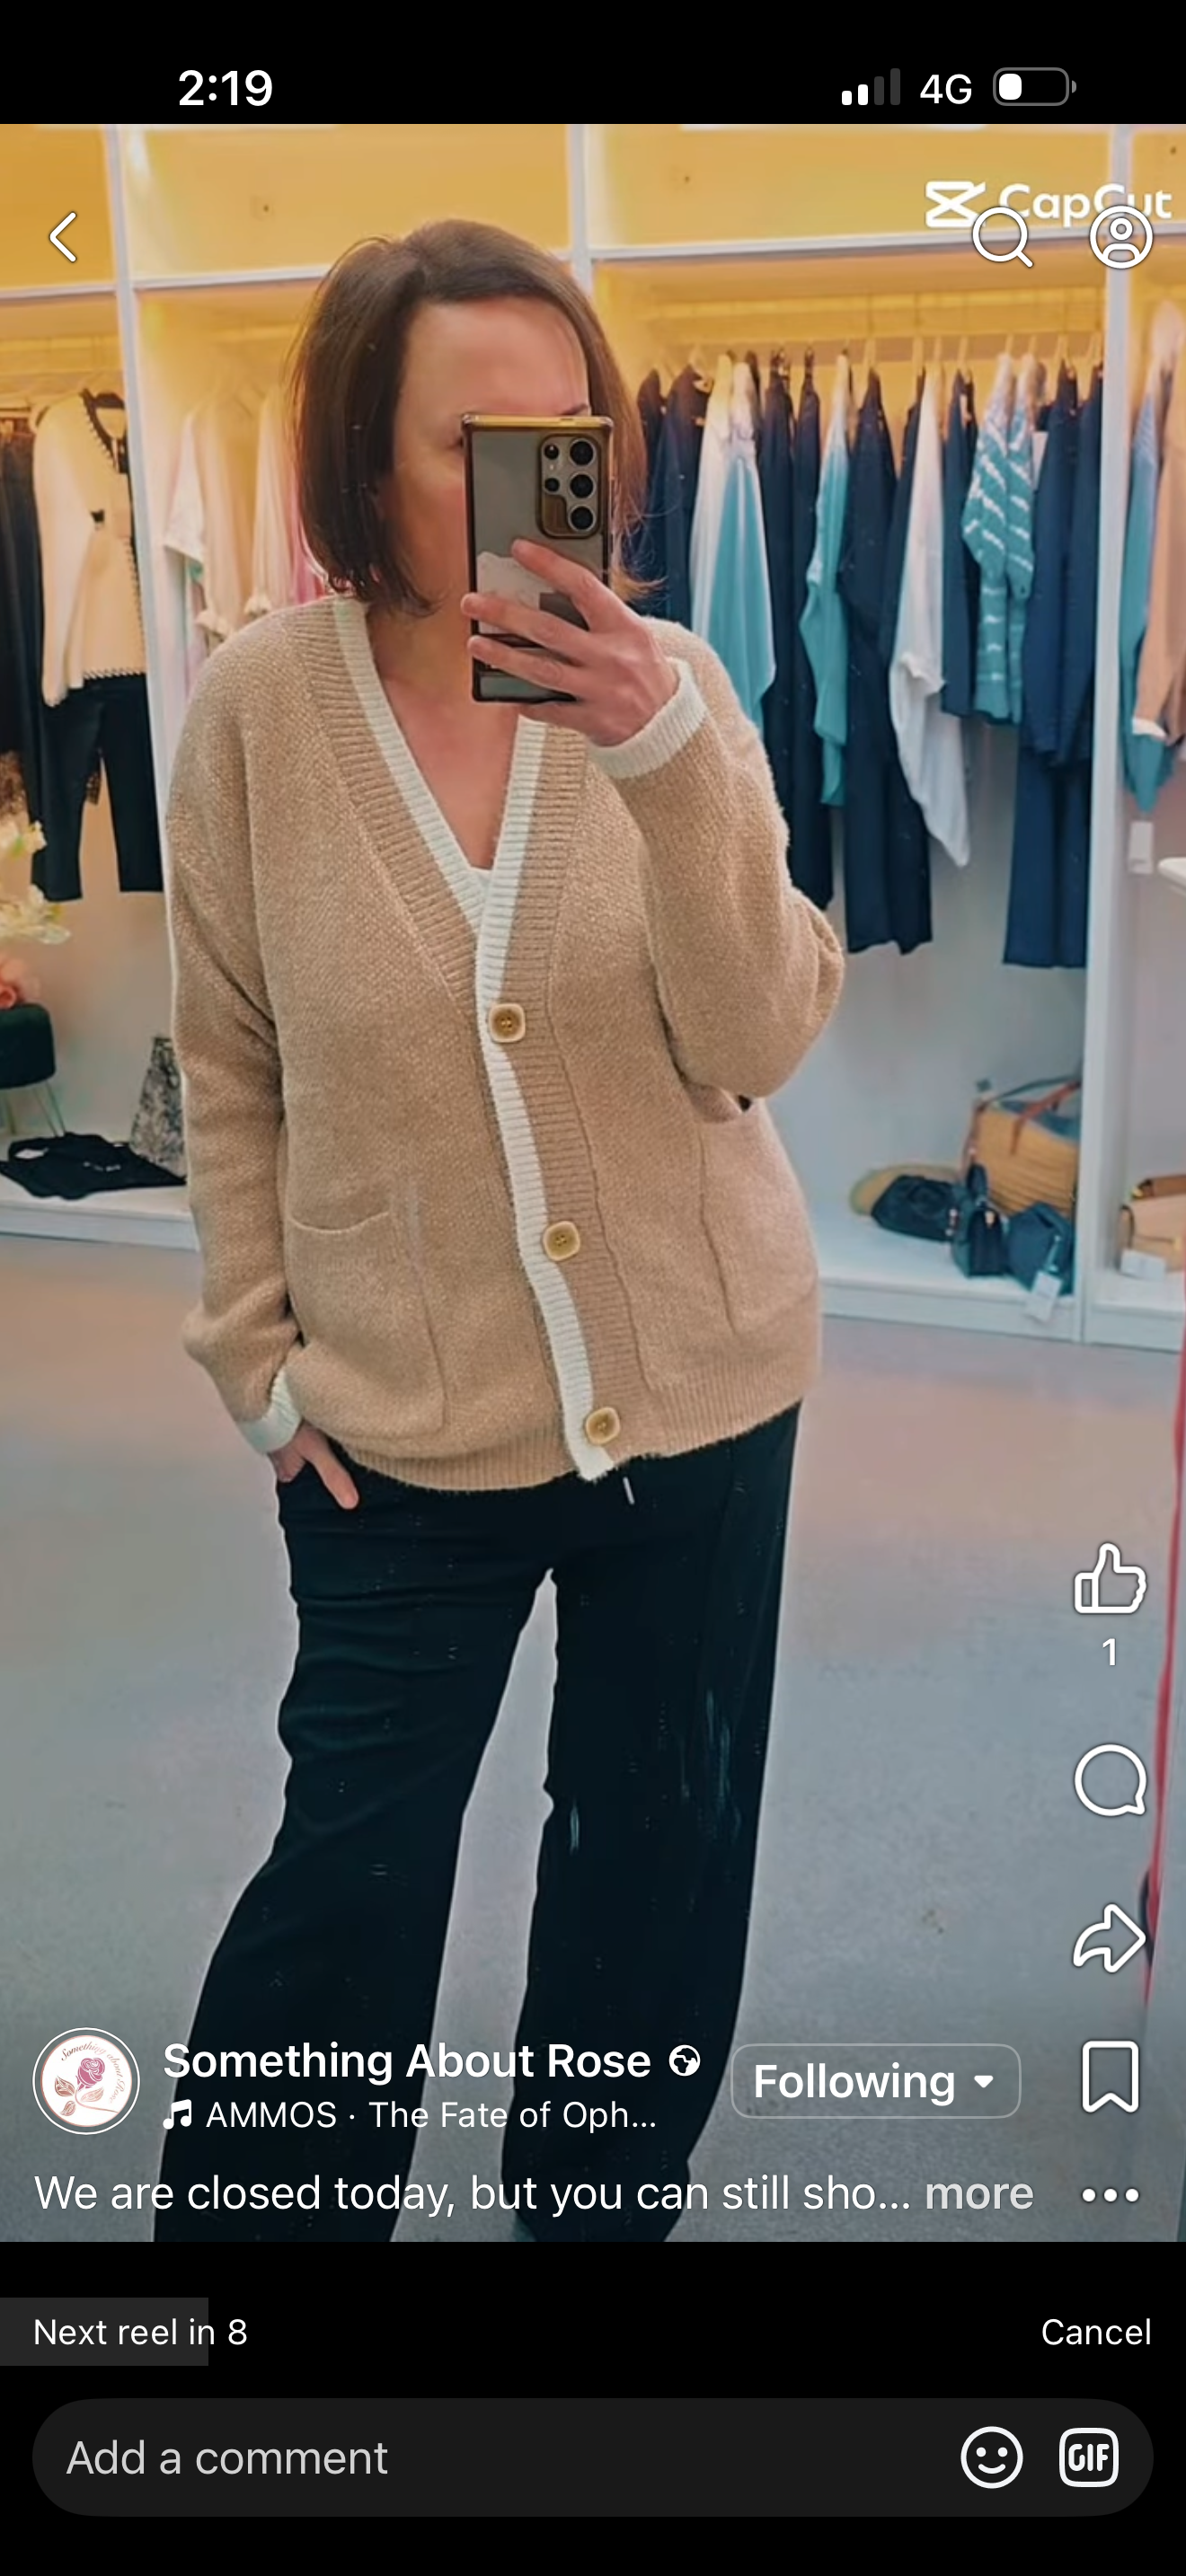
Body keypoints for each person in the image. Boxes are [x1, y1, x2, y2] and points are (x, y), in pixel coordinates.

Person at [155, 220, 845, 2244]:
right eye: (474, 442)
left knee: (656, 1867)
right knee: (347, 1879)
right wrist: (256, 1355)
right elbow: (229, 1055)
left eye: (567, 433)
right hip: (400, 1419)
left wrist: (664, 760)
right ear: (362, 464)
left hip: (701, 1390)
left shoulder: (672, 691)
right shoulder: (256, 714)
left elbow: (760, 1036)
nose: (536, 481)